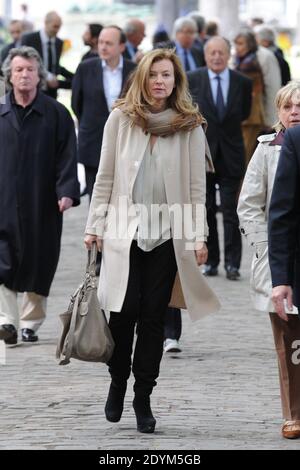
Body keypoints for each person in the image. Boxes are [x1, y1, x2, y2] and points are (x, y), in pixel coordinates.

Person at [84, 48, 220, 433]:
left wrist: (198, 235)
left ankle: (143, 396)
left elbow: (197, 188)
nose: (161, 81)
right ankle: (117, 382)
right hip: (123, 234)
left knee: (154, 319)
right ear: (142, 78)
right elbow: (105, 177)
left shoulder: (190, 125)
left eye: (167, 75)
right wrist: (94, 225)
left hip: (167, 234)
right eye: (154, 74)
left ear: (176, 82)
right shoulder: (121, 119)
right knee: (122, 316)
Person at [0, 47, 80, 345]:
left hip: (42, 201)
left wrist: (66, 191)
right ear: (9, 75)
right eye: (19, 69)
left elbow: (67, 156)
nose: (24, 75)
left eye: (30, 70)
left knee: (38, 260)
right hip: (4, 200)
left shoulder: (56, 113)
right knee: (2, 261)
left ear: (40, 75)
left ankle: (30, 323)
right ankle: (7, 321)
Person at [238, 81, 300, 439]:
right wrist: (266, 247)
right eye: (287, 107)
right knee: (290, 341)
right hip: (278, 258)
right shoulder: (267, 150)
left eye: (299, 106)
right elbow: (249, 205)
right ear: (278, 112)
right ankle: (293, 413)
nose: (294, 112)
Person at [188, 36, 252, 280]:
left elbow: (244, 113)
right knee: (205, 209)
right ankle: (211, 261)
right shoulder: (194, 79)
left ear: (229, 55)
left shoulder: (242, 82)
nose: (216, 57)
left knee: (230, 210)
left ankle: (233, 265)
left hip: (232, 155)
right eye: (212, 52)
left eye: (221, 52)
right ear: (205, 56)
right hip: (203, 154)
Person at [72, 25, 136, 201]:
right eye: (100, 42)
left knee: (124, 195)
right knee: (96, 196)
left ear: (121, 46)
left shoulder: (135, 70)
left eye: (108, 43)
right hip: (93, 140)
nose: (103, 47)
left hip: (126, 142)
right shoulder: (85, 68)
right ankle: (96, 228)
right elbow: (76, 104)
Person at [233, 29, 281, 162]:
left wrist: (271, 119)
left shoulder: (264, 56)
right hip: (241, 115)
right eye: (236, 43)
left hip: (254, 116)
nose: (237, 47)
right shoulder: (239, 58)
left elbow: (272, 88)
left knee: (249, 155)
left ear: (249, 44)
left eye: (241, 43)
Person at [21, 11, 74, 99]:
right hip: (32, 91)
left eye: (59, 27)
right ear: (46, 23)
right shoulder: (29, 39)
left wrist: (75, 77)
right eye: (55, 26)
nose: (57, 30)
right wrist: (47, 76)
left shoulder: (59, 43)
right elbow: (26, 63)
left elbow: (56, 65)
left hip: (51, 93)